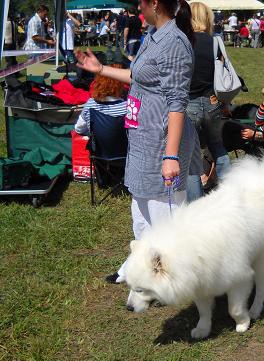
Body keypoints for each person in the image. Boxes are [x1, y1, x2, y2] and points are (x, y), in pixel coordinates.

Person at [75, 0, 201, 284]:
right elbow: (138, 77)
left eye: (140, 3)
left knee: (165, 218)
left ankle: (171, 277)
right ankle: (140, 265)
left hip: (161, 140)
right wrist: (101, 69)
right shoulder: (153, 34)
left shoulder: (174, 42)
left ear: (154, 3)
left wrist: (171, 156)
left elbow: (177, 101)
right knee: (142, 211)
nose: (137, 8)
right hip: (143, 137)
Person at [186, 2, 231, 201]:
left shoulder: (184, 41)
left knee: (190, 157)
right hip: (213, 101)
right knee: (218, 147)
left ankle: (196, 206)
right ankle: (229, 194)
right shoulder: (216, 42)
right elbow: (226, 74)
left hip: (189, 102)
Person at [74, 63, 127, 136]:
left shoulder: (91, 104)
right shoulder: (127, 107)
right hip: (123, 146)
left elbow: (79, 129)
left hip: (98, 146)